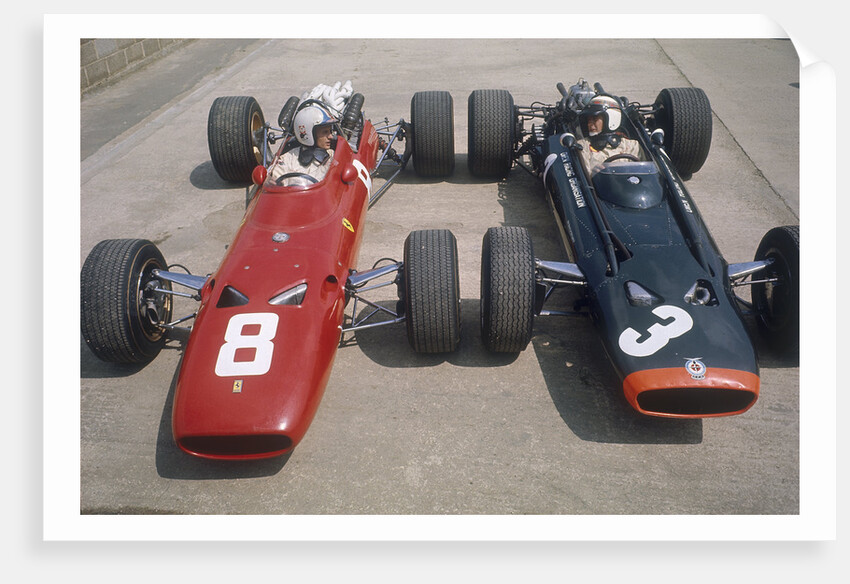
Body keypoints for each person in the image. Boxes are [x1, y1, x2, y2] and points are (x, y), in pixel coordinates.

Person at [269, 102, 337, 187]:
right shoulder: (289, 157)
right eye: (325, 132)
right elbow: (275, 179)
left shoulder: (333, 157)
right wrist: (273, 181)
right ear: (309, 133)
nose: (331, 136)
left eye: (330, 131)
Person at [576, 95, 644, 176]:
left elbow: (643, 173)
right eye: (589, 120)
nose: (590, 124)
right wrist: (592, 174)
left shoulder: (632, 146)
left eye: (595, 119)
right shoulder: (583, 146)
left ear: (611, 119)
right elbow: (581, 177)